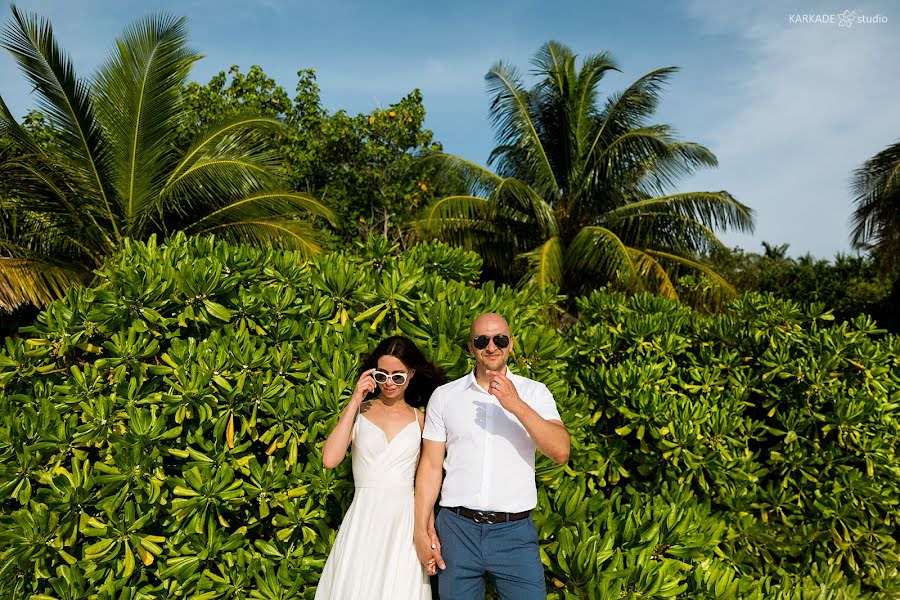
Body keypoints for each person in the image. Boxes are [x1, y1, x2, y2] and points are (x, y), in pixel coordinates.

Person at [414, 313, 570, 599]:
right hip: (456, 531)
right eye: (481, 340)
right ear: (471, 347)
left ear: (510, 344)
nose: (491, 346)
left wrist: (515, 404)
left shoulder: (534, 393)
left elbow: (560, 451)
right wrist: (420, 529)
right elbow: (431, 466)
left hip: (514, 533)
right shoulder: (445, 396)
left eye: (499, 339)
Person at [316, 335, 445, 600]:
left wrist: (428, 531)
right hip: (364, 518)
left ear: (410, 375)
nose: (389, 383)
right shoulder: (359, 412)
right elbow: (330, 459)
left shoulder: (421, 420)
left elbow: (425, 482)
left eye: (398, 376)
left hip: (404, 523)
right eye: (382, 374)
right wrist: (354, 400)